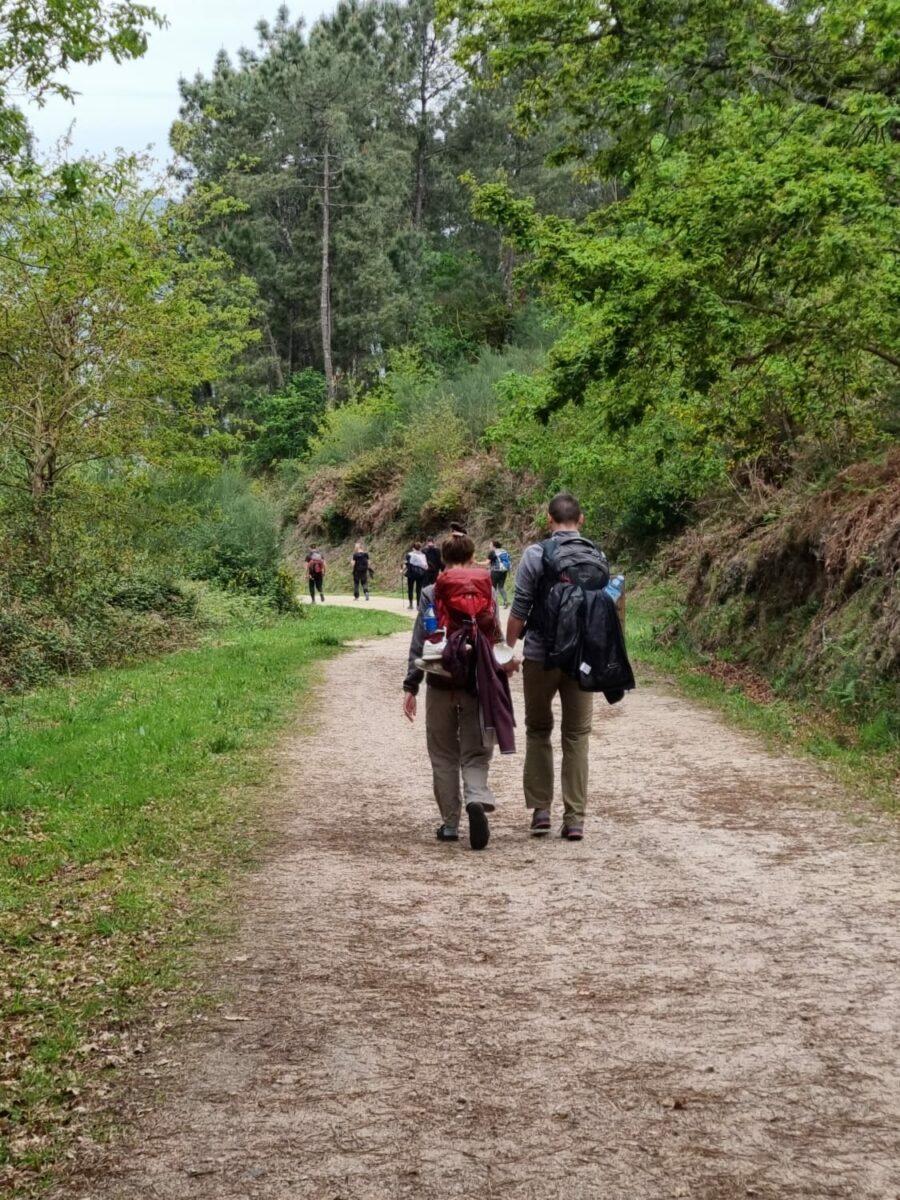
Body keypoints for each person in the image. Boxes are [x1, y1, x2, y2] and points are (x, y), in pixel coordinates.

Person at [402, 533, 516, 850]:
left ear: (442, 560)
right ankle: (477, 797)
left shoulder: (430, 591)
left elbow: (419, 642)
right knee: (476, 751)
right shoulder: (486, 588)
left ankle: (450, 825)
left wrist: (412, 685)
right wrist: (503, 666)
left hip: (440, 680)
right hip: (476, 682)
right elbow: (494, 634)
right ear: (471, 556)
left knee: (443, 754)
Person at [504, 493, 604, 841]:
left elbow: (520, 608)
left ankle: (541, 811)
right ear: (582, 518)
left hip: (540, 656)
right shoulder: (596, 555)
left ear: (548, 520)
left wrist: (506, 650)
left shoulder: (535, 554)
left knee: (538, 729)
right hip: (581, 660)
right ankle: (574, 818)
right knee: (576, 736)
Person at [402, 541, 429, 609]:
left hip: (411, 573)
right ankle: (418, 605)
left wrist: (402, 570)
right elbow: (425, 566)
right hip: (420, 574)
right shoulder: (423, 555)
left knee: (410, 588)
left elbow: (407, 564)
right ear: (420, 548)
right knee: (419, 589)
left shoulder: (409, 555)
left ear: (413, 547)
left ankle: (410, 604)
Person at [486, 539, 511, 607]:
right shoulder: (503, 551)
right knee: (501, 587)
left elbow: (486, 563)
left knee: (493, 588)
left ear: (494, 546)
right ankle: (506, 602)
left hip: (495, 571)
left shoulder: (492, 552)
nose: (489, 546)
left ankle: (493, 604)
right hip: (504, 571)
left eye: (490, 544)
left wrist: (476, 562)